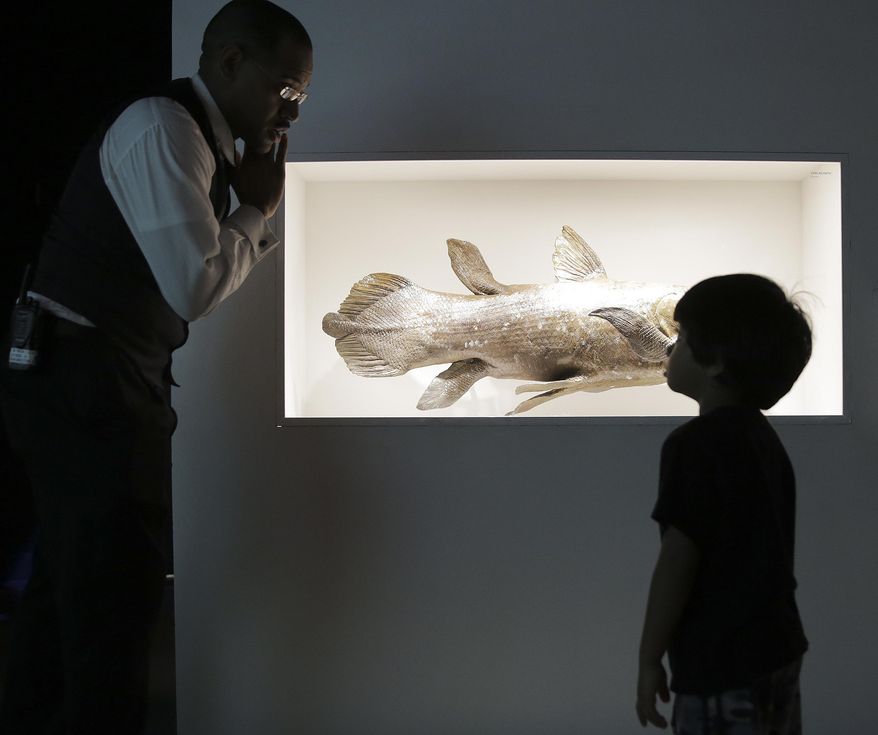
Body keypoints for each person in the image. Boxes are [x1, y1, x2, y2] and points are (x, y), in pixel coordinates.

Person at [0, 1, 312, 732]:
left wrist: (248, 209)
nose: (291, 114)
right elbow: (195, 285)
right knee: (110, 603)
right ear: (231, 62)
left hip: (89, 379)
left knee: (70, 597)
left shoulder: (194, 139)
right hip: (82, 383)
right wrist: (257, 209)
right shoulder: (164, 128)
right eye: (286, 90)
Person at [635, 274, 812, 734]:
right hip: (778, 648)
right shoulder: (763, 440)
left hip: (720, 663)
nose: (669, 348)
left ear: (714, 361)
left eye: (682, 337)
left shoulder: (694, 446)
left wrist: (649, 659)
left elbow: (677, 561)